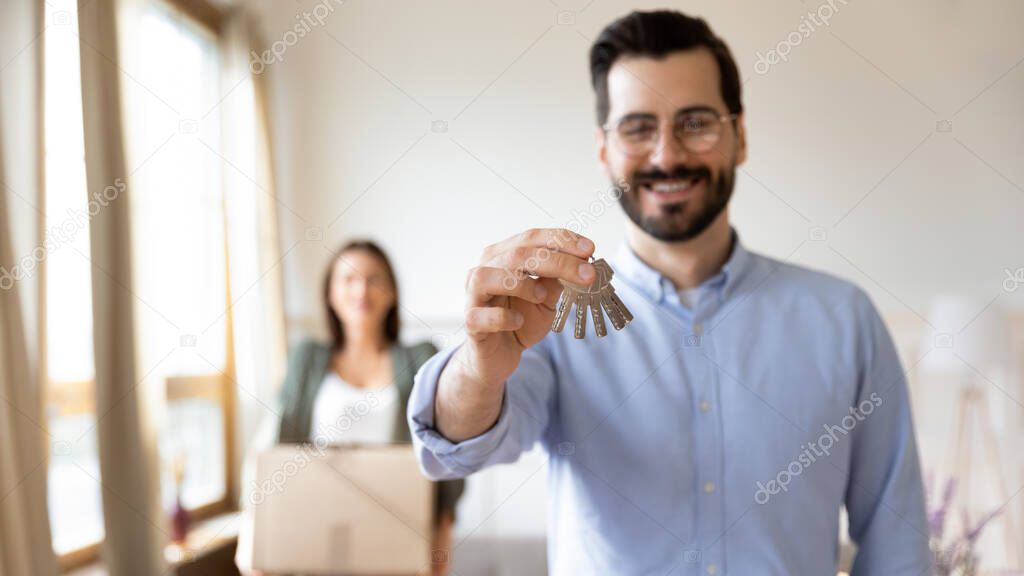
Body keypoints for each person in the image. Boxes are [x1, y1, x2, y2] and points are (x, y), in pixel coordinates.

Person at [407, 10, 931, 575]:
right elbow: (458, 448)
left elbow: (896, 541)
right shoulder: (551, 316)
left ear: (740, 136)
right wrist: (478, 369)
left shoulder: (843, 319)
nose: (666, 155)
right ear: (605, 149)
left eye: (696, 122)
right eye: (638, 128)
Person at [237, 239, 463, 576]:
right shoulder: (307, 359)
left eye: (374, 279)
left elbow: (444, 454)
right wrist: (252, 533)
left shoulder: (419, 358)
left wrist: (441, 544)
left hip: (394, 537)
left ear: (392, 293)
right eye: (349, 279)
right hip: (311, 534)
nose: (362, 290)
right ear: (330, 294)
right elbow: (271, 446)